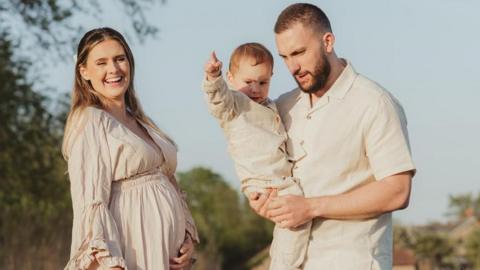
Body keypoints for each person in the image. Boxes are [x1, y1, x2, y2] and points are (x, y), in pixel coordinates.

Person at [248, 3, 416, 269]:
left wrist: (311, 207)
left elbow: (397, 191)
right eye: (285, 57)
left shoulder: (375, 103)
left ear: (328, 41)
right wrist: (263, 201)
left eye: (300, 52)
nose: (293, 67)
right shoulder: (283, 106)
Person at [62, 27, 199, 270]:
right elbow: (90, 203)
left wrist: (187, 236)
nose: (113, 69)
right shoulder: (91, 120)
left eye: (120, 59)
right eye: (101, 63)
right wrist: (108, 262)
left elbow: (170, 182)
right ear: (84, 71)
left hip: (170, 256)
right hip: (132, 249)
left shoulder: (140, 120)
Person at [202, 43, 311, 269]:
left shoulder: (270, 105)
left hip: (276, 178)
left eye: (263, 82)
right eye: (248, 82)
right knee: (297, 218)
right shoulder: (235, 104)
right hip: (264, 180)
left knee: (286, 226)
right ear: (231, 78)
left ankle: (281, 262)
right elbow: (217, 101)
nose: (255, 88)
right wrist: (213, 77)